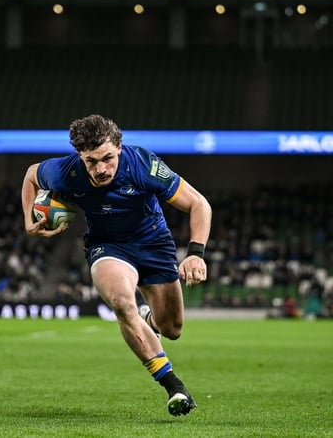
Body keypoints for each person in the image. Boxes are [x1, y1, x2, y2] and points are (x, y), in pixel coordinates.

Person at [21, 114, 212, 416]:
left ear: (119, 148)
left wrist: (196, 253)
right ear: (80, 157)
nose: (100, 169)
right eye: (91, 161)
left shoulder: (143, 166)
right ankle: (174, 386)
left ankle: (146, 319)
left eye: (107, 158)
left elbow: (199, 203)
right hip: (106, 244)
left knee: (171, 328)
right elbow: (32, 175)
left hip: (154, 243)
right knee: (123, 303)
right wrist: (28, 220)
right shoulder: (65, 172)